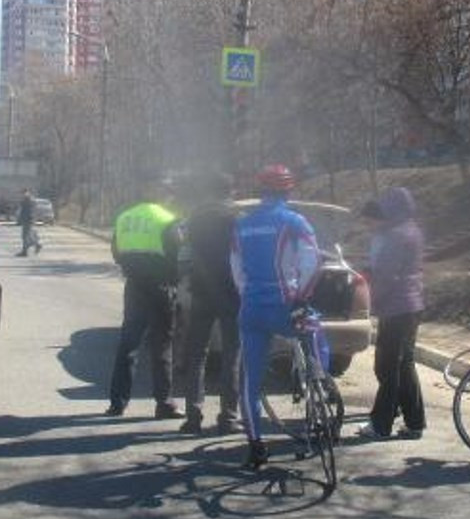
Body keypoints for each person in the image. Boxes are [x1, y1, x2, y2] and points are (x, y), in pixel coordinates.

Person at [231, 164, 321, 470]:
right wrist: (301, 298)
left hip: (252, 308)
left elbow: (237, 270)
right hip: (285, 306)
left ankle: (256, 446)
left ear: (261, 191)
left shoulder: (241, 224)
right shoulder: (294, 221)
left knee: (250, 381)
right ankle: (317, 381)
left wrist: (249, 295)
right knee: (315, 328)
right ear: (288, 190)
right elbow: (312, 263)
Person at [106, 177, 184, 419]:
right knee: (162, 345)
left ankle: (117, 404)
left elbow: (116, 252)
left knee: (128, 344)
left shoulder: (124, 217)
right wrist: (175, 280)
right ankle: (164, 403)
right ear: (164, 195)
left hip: (134, 286)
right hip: (161, 287)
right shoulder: (167, 219)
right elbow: (176, 254)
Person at [356, 187, 426, 441]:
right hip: (413, 305)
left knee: (388, 367)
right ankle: (415, 422)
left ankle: (381, 425)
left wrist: (371, 300)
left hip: (395, 307)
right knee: (405, 364)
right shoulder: (413, 230)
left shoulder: (396, 235)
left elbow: (385, 275)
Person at [177, 171, 242, 436]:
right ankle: (228, 417)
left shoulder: (195, 217)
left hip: (202, 292)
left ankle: (193, 417)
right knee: (232, 356)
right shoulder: (237, 219)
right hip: (231, 293)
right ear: (231, 191)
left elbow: (185, 252)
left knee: (197, 355)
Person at [16, 189, 41, 256]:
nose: (22, 195)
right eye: (22, 193)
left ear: (28, 193)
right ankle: (27, 249)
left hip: (28, 220)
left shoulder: (28, 200)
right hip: (28, 219)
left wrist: (22, 219)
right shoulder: (28, 200)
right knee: (27, 236)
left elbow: (27, 211)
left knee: (25, 236)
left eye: (24, 193)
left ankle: (28, 249)